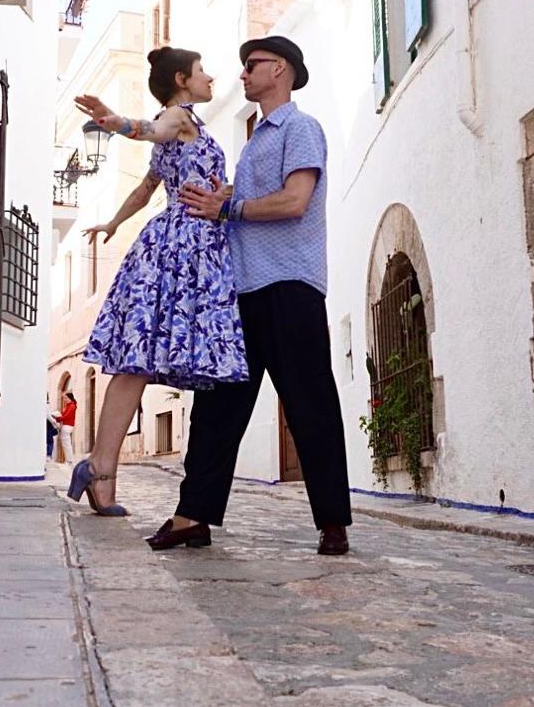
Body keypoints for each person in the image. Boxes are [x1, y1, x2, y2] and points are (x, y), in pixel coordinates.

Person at [149, 35, 353, 556]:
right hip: (240, 291)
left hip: (290, 284)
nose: (241, 74)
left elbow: (295, 200)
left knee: (310, 404)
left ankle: (333, 522)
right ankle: (192, 516)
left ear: (279, 69)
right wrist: (221, 198)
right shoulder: (255, 141)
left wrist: (229, 208)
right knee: (215, 409)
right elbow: (243, 203)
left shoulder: (300, 128)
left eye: (251, 65)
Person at [67, 47, 249, 515]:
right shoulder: (177, 117)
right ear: (182, 80)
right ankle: (101, 469)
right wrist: (115, 122)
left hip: (184, 246)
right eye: (202, 71)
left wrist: (113, 222)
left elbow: (146, 188)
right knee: (135, 361)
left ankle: (100, 467)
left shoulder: (190, 125)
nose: (210, 77)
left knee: (137, 361)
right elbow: (150, 130)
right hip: (183, 247)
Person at [54, 391, 77, 463]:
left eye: (66, 398)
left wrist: (57, 418)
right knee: (66, 444)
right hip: (66, 426)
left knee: (67, 444)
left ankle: (70, 460)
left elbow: (66, 416)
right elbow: (64, 415)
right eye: (64, 398)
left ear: (70, 398)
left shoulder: (72, 406)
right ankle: (69, 459)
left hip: (68, 426)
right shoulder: (68, 405)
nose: (64, 400)